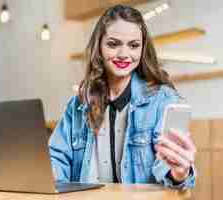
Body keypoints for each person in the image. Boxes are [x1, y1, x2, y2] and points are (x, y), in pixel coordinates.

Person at [49, 5, 196, 189]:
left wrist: (179, 173)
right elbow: (57, 157)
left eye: (134, 45)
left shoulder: (163, 100)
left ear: (142, 49)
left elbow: (171, 168)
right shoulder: (79, 104)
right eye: (113, 44)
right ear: (99, 47)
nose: (124, 54)